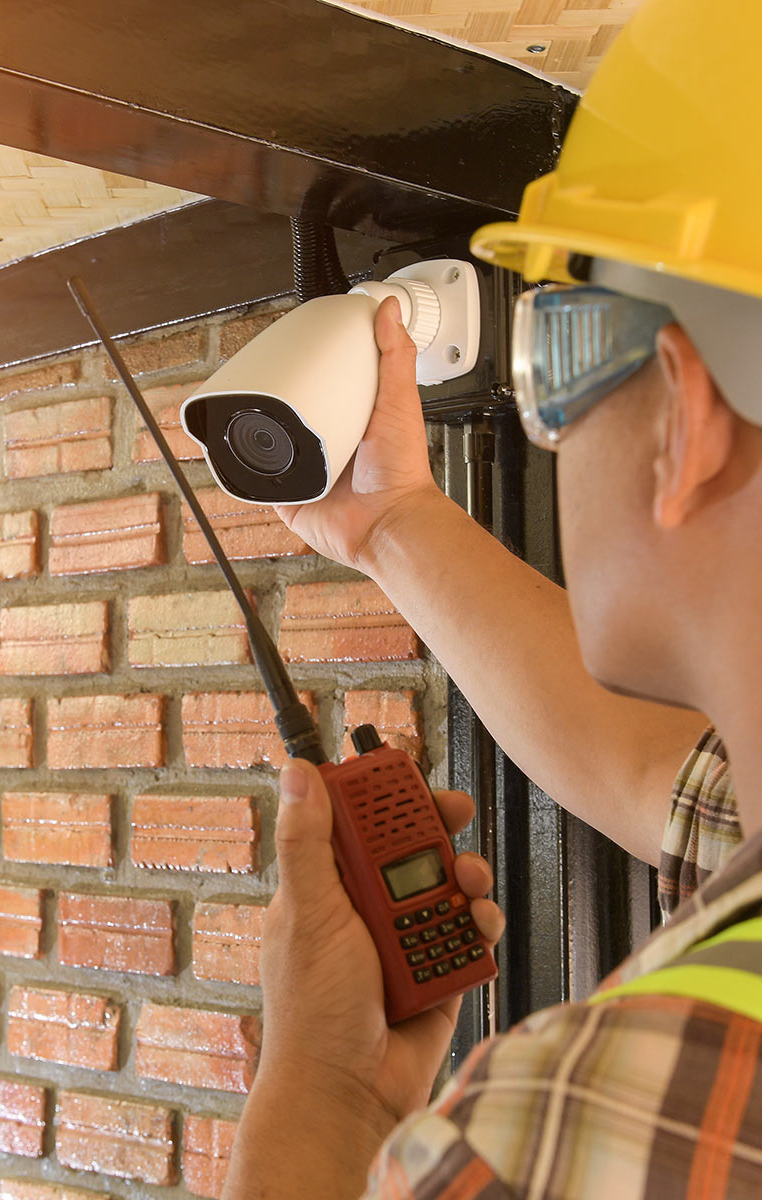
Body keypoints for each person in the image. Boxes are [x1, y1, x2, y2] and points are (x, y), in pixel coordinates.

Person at [226, 0, 762, 1194]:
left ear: (682, 415)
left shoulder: (581, 1127)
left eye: (553, 353)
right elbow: (655, 781)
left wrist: (323, 1089)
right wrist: (391, 522)